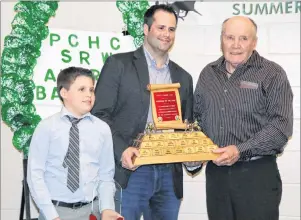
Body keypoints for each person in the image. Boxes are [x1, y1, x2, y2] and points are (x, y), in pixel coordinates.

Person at [91, 4, 200, 220]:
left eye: (171, 29)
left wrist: (193, 154)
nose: (166, 34)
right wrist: (122, 150)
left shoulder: (183, 77)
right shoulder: (118, 64)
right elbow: (98, 116)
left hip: (169, 173)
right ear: (145, 29)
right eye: (161, 28)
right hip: (131, 171)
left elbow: (186, 126)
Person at [193, 16, 293, 220]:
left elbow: (281, 127)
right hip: (216, 177)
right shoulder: (208, 74)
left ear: (254, 42)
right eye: (230, 37)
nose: (236, 45)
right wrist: (192, 154)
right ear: (221, 40)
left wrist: (239, 150)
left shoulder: (272, 74)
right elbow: (197, 121)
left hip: (256, 176)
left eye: (244, 38)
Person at [27, 67, 123, 220]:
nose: (89, 95)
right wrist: (51, 215)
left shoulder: (102, 129)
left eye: (91, 90)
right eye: (82, 89)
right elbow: (35, 176)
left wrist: (107, 208)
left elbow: (106, 175)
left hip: (92, 210)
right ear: (64, 93)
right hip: (56, 211)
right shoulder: (46, 127)